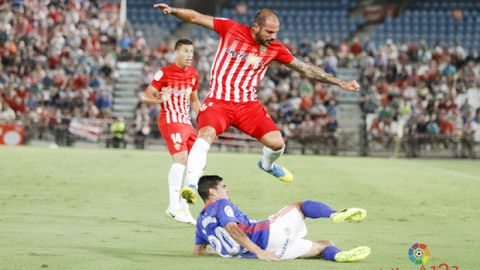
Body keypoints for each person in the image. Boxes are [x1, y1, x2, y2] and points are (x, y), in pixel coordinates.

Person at [153, 3, 361, 204]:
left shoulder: (275, 48)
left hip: (247, 106)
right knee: (204, 136)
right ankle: (190, 185)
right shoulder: (231, 29)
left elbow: (306, 69)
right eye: (269, 32)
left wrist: (339, 83)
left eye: (276, 32)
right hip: (218, 103)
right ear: (255, 27)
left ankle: (267, 164)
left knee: (277, 143)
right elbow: (196, 18)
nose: (273, 37)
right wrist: (173, 11)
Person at [193, 175, 371, 262]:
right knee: (300, 206)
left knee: (325, 245)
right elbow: (232, 228)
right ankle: (334, 213)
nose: (227, 190)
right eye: (223, 187)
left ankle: (339, 255)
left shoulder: (201, 222)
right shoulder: (221, 203)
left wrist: (225, 252)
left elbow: (198, 252)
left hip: (273, 252)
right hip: (266, 237)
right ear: (213, 192)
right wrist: (258, 251)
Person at [142, 39, 202, 225]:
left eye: (191, 51)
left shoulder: (193, 74)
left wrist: (203, 117)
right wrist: (161, 100)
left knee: (197, 162)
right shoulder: (165, 73)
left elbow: (194, 100)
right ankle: (172, 206)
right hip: (170, 120)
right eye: (185, 51)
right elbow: (146, 97)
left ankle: (184, 208)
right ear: (176, 52)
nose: (189, 55)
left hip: (186, 123)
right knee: (181, 159)